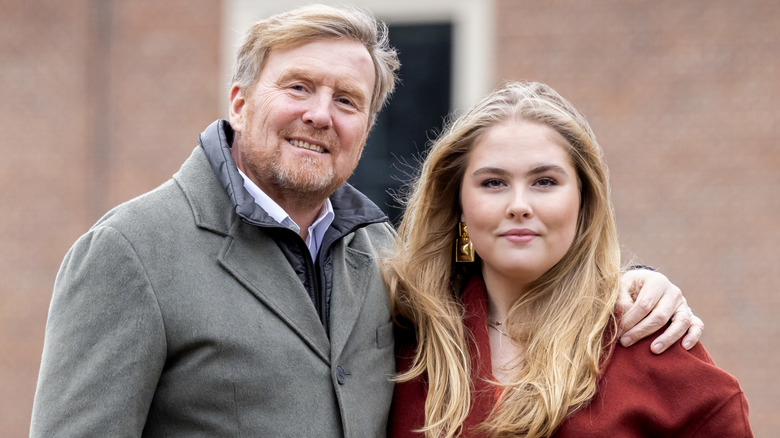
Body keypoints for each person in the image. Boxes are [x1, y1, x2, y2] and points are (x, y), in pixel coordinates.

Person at [31, 5, 701, 437]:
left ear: (367, 125)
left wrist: (632, 282)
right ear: (239, 99)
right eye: (298, 87)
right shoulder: (129, 253)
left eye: (347, 99)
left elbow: (502, 253)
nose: (321, 114)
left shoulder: (381, 254)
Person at [385, 81, 752, 437]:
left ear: (583, 201)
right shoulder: (401, 333)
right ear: (459, 207)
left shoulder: (646, 338)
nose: (518, 206)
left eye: (544, 181)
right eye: (493, 183)